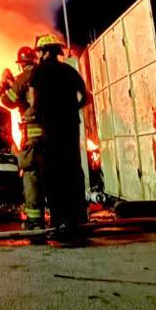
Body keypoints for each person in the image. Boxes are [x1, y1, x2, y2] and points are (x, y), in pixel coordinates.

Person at [26, 33, 90, 239]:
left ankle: (58, 221)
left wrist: (35, 114)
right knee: (73, 171)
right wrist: (72, 109)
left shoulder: (38, 72)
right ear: (58, 52)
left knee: (53, 174)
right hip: (70, 128)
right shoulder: (69, 71)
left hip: (50, 130)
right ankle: (79, 219)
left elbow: (34, 103)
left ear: (44, 52)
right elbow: (86, 97)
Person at [0, 46, 43, 229]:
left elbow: (10, 100)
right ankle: (60, 217)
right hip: (55, 134)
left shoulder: (23, 78)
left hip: (33, 137)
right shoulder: (47, 74)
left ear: (21, 64)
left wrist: (2, 89)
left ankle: (34, 220)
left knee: (31, 176)